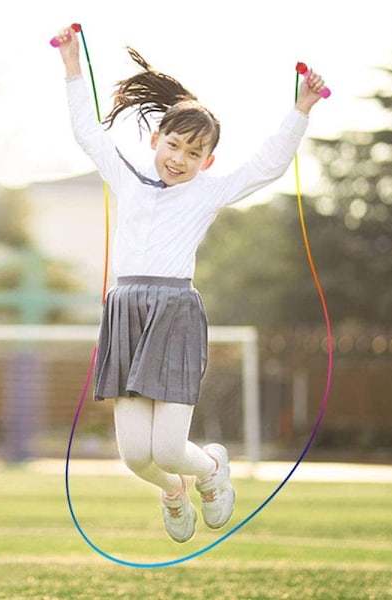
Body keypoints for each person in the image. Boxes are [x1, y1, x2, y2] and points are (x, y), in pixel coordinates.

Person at [54, 26, 326, 543]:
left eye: (193, 153)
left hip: (175, 313)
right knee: (137, 457)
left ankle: (210, 470)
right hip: (126, 312)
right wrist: (72, 67)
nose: (179, 158)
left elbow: (268, 165)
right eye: (173, 145)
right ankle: (174, 492)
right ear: (156, 140)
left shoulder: (206, 194)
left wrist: (302, 108)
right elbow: (88, 132)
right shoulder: (126, 179)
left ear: (208, 162)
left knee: (171, 448)